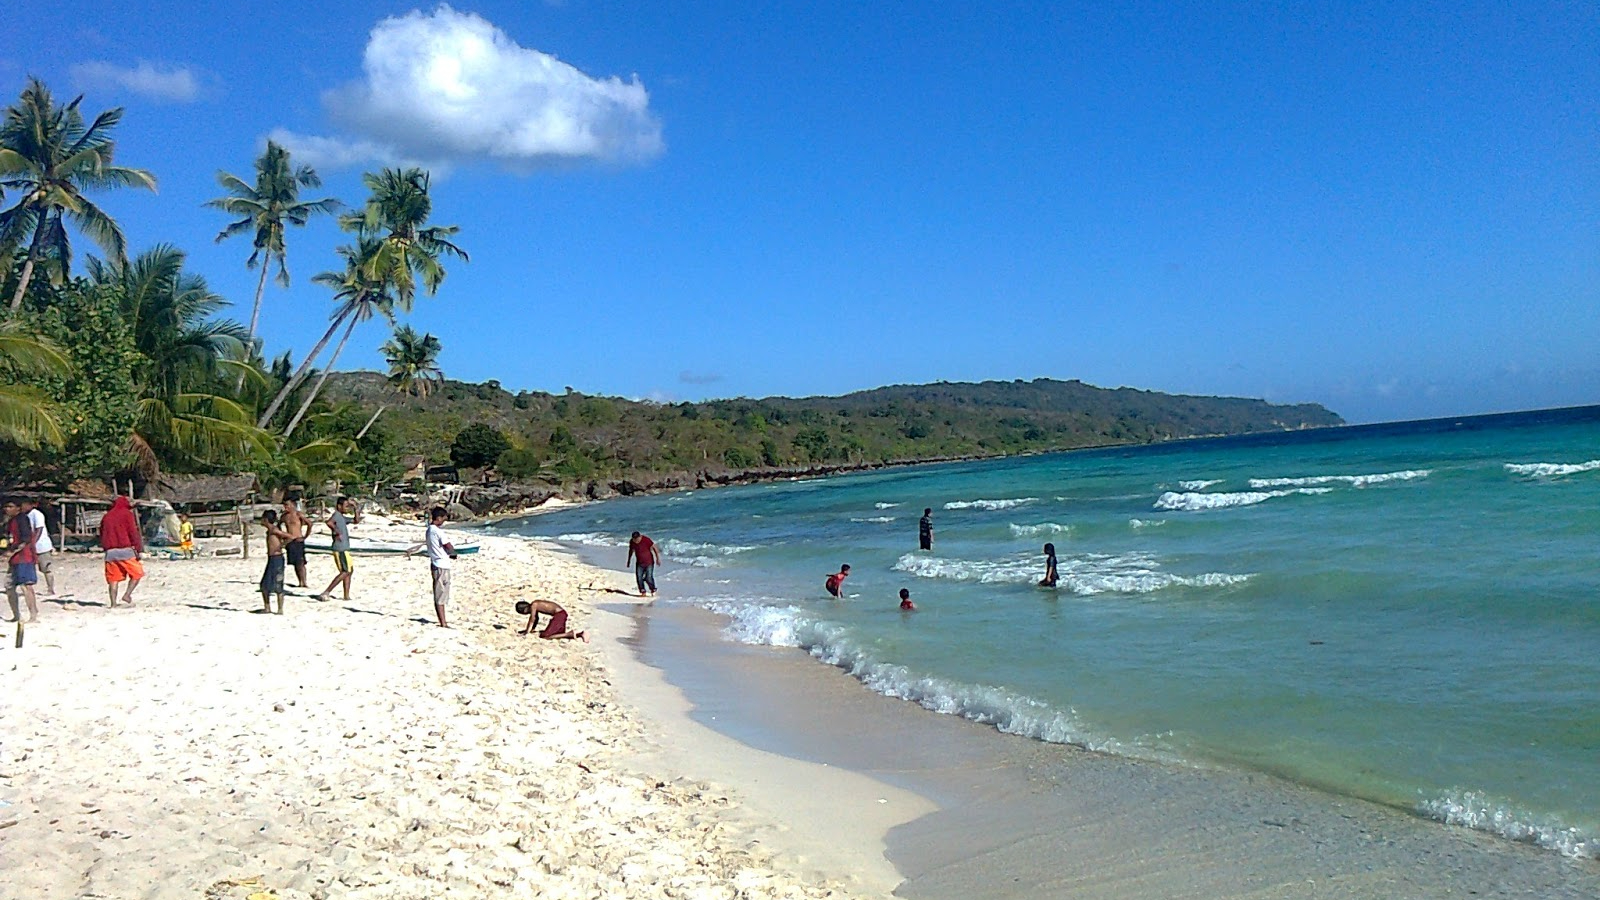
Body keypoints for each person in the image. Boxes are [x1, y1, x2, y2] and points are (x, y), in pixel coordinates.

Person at [406, 507, 458, 628]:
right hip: (440, 565)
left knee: (442, 594)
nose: (443, 522)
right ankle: (443, 623)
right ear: (438, 518)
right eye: (443, 519)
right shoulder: (437, 531)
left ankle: (443, 621)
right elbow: (448, 545)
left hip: (439, 564)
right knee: (440, 594)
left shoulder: (430, 530)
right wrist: (453, 553)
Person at [99, 495, 144, 608]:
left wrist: (105, 548)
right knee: (137, 573)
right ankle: (127, 595)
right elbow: (133, 532)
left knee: (113, 579)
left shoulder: (107, 516)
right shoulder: (127, 514)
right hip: (125, 550)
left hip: (110, 552)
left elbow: (102, 534)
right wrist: (138, 549)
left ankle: (113, 604)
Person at [315, 496, 360, 603]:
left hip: (345, 548)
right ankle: (326, 591)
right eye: (346, 506)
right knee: (345, 571)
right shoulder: (336, 515)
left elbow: (356, 521)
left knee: (349, 571)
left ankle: (346, 595)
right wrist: (336, 531)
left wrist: (355, 509)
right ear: (339, 506)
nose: (347, 508)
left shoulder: (342, 517)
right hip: (340, 548)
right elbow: (329, 522)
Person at [4, 499, 39, 623]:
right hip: (14, 559)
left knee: (26, 586)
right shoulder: (10, 522)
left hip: (24, 557)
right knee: (8, 586)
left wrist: (12, 552)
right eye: (6, 506)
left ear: (18, 508)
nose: (7, 509)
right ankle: (16, 615)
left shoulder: (22, 519)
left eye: (10, 506)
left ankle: (33, 616)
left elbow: (26, 539)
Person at [258, 510, 291, 614]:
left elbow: (290, 536)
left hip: (277, 559)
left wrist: (281, 546)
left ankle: (280, 609)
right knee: (264, 584)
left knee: (278, 584)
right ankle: (267, 607)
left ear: (266, 520)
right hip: (272, 559)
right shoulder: (270, 530)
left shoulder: (273, 529)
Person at [23, 499, 56, 597]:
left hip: (41, 545)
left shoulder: (37, 514)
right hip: (30, 545)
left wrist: (33, 542)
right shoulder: (25, 516)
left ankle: (50, 589)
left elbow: (39, 529)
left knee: (45, 568)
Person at [516, 598, 587, 641]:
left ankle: (571, 633)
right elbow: (536, 619)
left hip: (559, 615)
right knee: (558, 635)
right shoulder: (535, 604)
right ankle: (580, 634)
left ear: (524, 610)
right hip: (562, 614)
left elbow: (532, 619)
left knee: (546, 636)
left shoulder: (534, 605)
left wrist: (526, 632)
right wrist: (532, 629)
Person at [281, 498, 310, 588]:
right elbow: (278, 525)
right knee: (294, 563)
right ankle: (300, 582)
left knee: (301, 562)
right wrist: (283, 537)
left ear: (292, 505)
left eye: (287, 505)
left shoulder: (298, 514)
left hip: (298, 539)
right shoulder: (284, 516)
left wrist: (305, 536)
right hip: (290, 541)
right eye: (285, 505)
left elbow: (309, 523)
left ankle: (304, 582)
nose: (286, 507)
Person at [626, 531, 661, 597]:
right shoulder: (632, 542)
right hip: (639, 563)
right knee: (639, 577)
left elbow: (654, 548)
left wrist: (657, 558)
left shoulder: (646, 540)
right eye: (634, 540)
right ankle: (643, 591)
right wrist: (629, 561)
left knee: (649, 577)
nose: (636, 541)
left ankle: (653, 589)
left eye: (637, 539)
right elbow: (631, 551)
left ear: (640, 537)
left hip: (649, 562)